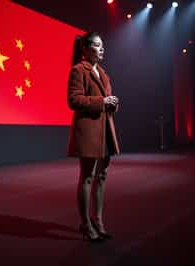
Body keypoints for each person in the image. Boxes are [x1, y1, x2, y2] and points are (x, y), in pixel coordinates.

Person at [67, 32, 120, 242]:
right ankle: (86, 224)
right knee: (87, 177)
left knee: (102, 177)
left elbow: (106, 100)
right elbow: (73, 100)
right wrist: (102, 101)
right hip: (88, 131)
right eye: (97, 45)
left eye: (102, 45)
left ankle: (98, 221)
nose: (102, 49)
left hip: (105, 129)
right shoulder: (78, 70)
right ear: (85, 49)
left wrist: (113, 103)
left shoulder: (104, 73)